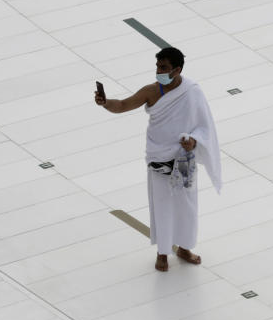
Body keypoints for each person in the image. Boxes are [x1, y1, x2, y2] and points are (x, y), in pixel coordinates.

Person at [95, 47, 221, 272]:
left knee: (187, 205)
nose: (158, 71)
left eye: (163, 67)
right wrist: (105, 103)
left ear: (177, 69)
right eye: (157, 66)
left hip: (183, 159)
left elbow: (204, 126)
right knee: (162, 205)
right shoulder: (151, 91)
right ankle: (162, 253)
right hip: (159, 158)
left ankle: (184, 247)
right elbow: (123, 105)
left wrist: (193, 141)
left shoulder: (192, 91)